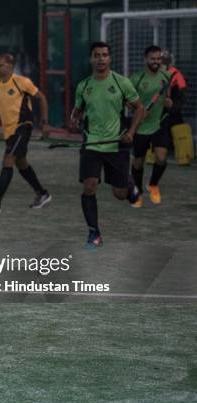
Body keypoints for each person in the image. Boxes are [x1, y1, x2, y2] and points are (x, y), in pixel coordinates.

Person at [70, 42, 143, 248]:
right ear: (91, 59)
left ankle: (128, 185)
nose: (101, 59)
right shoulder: (83, 86)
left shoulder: (122, 83)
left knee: (119, 195)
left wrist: (130, 132)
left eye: (104, 55)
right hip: (92, 143)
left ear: (110, 58)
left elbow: (139, 109)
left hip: (116, 145)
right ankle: (94, 233)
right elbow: (77, 111)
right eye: (96, 55)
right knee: (89, 185)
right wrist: (74, 119)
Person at [0, 53, 52, 214]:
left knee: (8, 160)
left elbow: (42, 98)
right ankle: (42, 193)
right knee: (21, 163)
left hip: (23, 126)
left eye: (0, 65)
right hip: (8, 131)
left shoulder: (22, 82)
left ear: (10, 66)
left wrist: (45, 123)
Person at [129, 45, 173, 207]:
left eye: (158, 59)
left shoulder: (166, 76)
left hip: (159, 123)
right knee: (138, 162)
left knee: (161, 158)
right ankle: (138, 191)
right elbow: (127, 101)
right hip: (140, 126)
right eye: (152, 59)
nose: (156, 62)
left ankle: (153, 185)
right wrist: (138, 110)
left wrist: (169, 102)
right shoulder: (136, 78)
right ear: (145, 59)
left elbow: (166, 95)